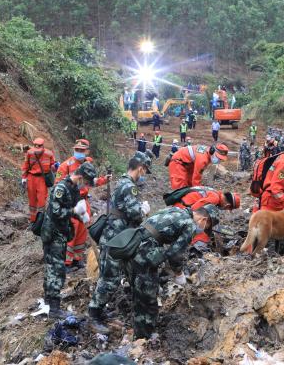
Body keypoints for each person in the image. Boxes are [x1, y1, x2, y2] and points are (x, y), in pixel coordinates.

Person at [125, 205, 219, 338]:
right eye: (206, 227)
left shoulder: (176, 210)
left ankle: (138, 331)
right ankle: (144, 337)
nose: (202, 230)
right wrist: (179, 274)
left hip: (131, 245)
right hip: (144, 255)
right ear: (204, 220)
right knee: (149, 298)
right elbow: (174, 254)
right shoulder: (190, 225)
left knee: (138, 294)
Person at [88, 153, 152, 333]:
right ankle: (93, 314)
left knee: (112, 275)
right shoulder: (129, 186)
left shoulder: (122, 182)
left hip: (116, 236)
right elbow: (135, 214)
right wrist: (143, 210)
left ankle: (99, 312)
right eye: (145, 170)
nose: (144, 174)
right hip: (115, 238)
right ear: (141, 168)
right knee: (110, 278)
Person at [41, 163, 96, 318]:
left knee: (53, 266)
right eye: (85, 182)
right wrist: (73, 211)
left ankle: (48, 299)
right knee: (57, 269)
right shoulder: (61, 188)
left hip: (62, 231)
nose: (85, 185)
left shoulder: (74, 188)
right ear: (80, 177)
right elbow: (56, 211)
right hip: (53, 233)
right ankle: (54, 309)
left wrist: (82, 216)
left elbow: (76, 207)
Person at [56, 139, 111, 270]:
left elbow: (91, 182)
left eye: (82, 150)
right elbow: (57, 185)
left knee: (83, 230)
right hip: (71, 201)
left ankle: (77, 258)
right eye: (77, 150)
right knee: (71, 230)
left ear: (87, 151)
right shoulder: (66, 165)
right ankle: (66, 262)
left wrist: (104, 180)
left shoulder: (87, 164)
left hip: (84, 200)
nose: (79, 152)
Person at [21, 138, 56, 223]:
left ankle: (41, 220)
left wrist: (54, 168)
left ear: (43, 146)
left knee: (41, 199)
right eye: (35, 146)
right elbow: (25, 165)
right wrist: (23, 177)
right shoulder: (30, 153)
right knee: (32, 199)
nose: (37, 147)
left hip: (42, 178)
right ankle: (33, 220)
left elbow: (53, 165)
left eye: (39, 146)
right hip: (31, 177)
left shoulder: (49, 153)